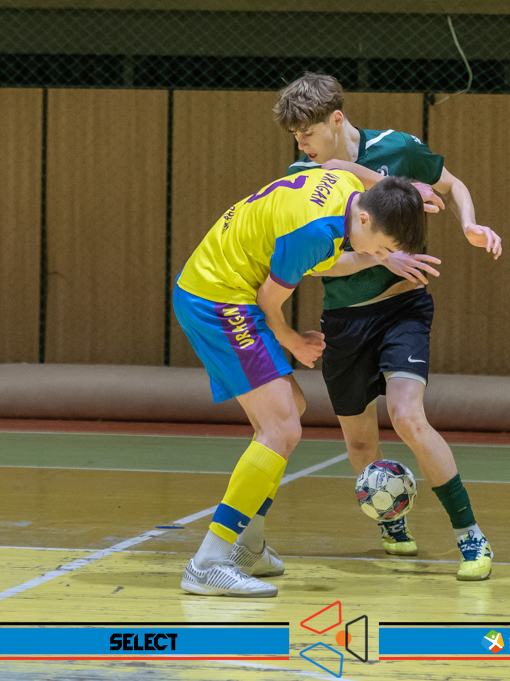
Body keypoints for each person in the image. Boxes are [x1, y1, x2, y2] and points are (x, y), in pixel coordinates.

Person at [273, 72, 502, 581]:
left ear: (336, 119)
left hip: (402, 309)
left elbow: (451, 184)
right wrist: (376, 257)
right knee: (359, 444)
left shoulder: (396, 148)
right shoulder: (304, 176)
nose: (301, 144)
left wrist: (467, 222)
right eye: (295, 137)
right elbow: (314, 265)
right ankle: (391, 523)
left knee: (407, 417)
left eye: (307, 133)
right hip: (344, 321)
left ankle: (470, 536)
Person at [175, 167, 427, 597]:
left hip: (223, 287)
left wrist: (386, 243)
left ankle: (249, 548)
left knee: (291, 409)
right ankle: (208, 562)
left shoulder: (348, 189)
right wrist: (293, 341)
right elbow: (268, 300)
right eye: (383, 247)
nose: (380, 256)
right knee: (282, 428)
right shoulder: (315, 232)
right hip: (217, 298)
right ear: (365, 219)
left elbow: (324, 251)